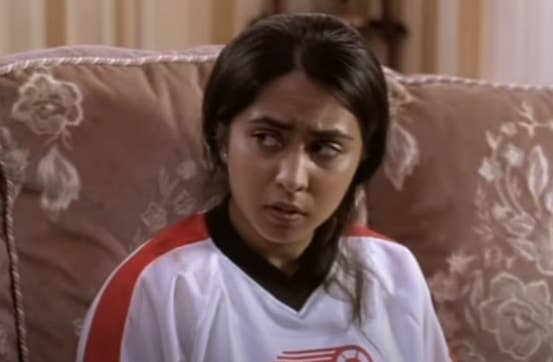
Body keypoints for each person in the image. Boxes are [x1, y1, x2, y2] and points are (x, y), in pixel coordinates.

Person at [76, 13, 451, 362]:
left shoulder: (393, 274)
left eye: (324, 148)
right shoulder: (160, 290)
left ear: (363, 159)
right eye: (268, 139)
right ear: (222, 140)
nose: (292, 178)